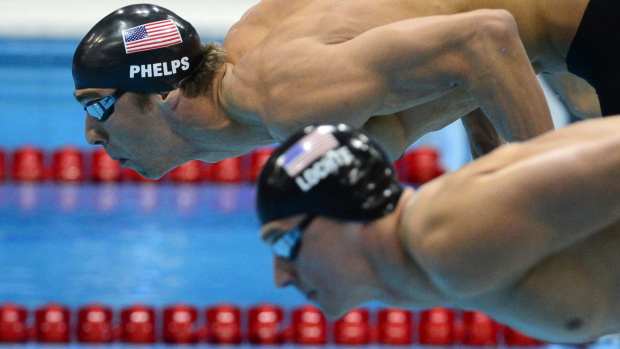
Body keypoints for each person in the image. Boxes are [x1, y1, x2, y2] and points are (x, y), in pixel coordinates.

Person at [73, 2, 560, 179]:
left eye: (97, 105)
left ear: (162, 92)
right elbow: (440, 41)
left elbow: (484, 38)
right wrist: (491, 158)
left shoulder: (285, 96)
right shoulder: (265, 67)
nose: (92, 135)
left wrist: (542, 193)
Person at [256, 122, 620, 344]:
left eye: (284, 241)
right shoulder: (418, 268)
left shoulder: (448, 238)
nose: (280, 277)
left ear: (346, 209)